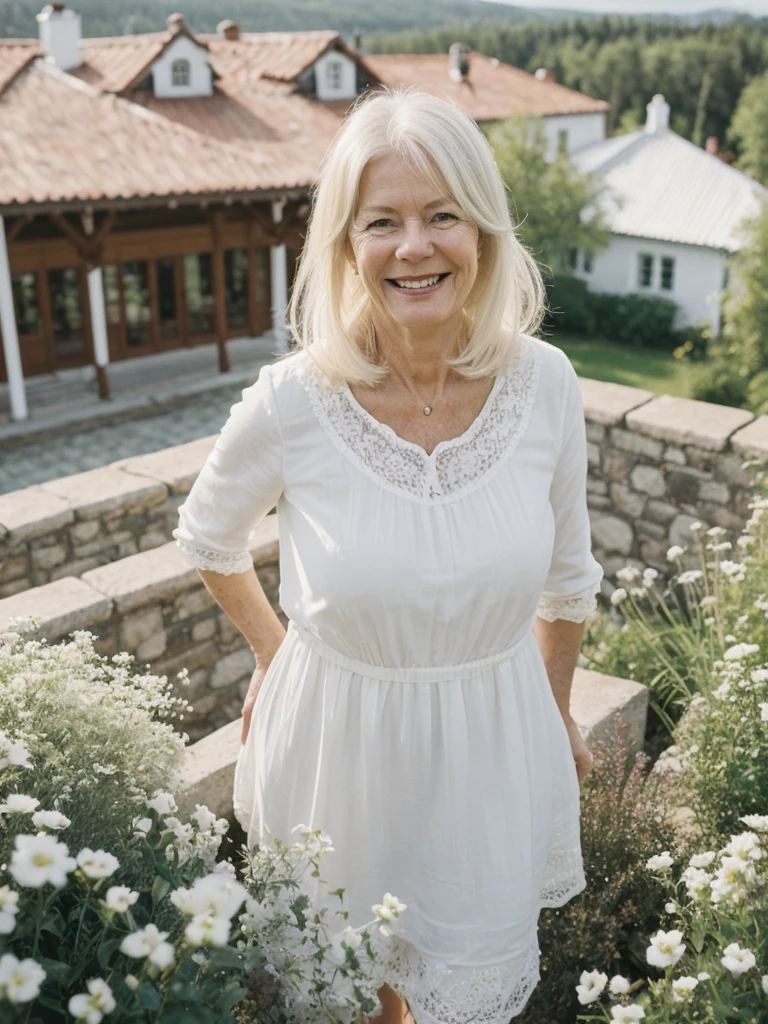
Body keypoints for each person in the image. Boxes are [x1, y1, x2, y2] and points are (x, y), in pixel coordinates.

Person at [173, 88, 603, 1024]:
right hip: (335, 753)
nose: (415, 247)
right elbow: (208, 534)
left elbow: (569, 583)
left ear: (483, 231)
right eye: (383, 222)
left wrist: (557, 713)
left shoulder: (547, 385)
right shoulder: (292, 401)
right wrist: (276, 653)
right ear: (346, 245)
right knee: (355, 1000)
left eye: (442, 215)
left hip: (491, 750)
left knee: (462, 999)